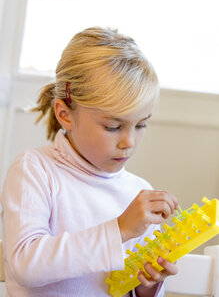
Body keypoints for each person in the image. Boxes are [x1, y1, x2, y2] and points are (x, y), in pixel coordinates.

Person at [0, 27, 178, 297]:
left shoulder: (138, 194)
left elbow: (120, 287)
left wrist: (146, 285)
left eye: (141, 125)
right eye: (113, 127)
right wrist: (118, 230)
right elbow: (25, 265)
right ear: (65, 114)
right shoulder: (35, 170)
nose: (129, 141)